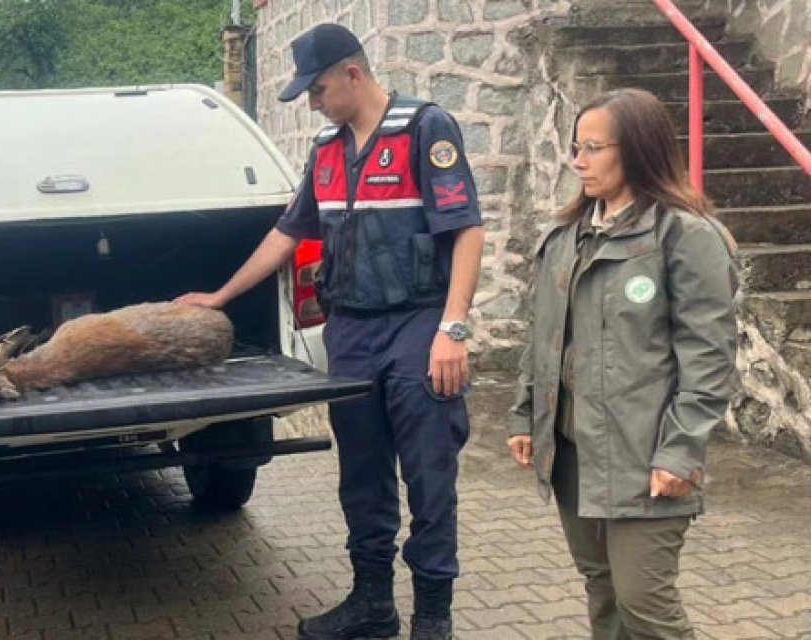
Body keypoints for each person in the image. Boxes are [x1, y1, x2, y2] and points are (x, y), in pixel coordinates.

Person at [178, 23, 484, 640]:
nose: (312, 103)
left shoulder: (425, 130)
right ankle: (373, 605)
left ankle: (433, 618)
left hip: (417, 325)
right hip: (351, 333)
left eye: (317, 90)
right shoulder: (326, 150)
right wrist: (221, 296)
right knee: (362, 476)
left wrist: (452, 328)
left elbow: (467, 230)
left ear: (353, 73)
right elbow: (286, 234)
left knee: (429, 476)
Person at [507, 88, 739, 639]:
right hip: (573, 451)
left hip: (644, 454)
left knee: (645, 605)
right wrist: (525, 414)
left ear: (636, 148)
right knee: (604, 591)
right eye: (575, 147)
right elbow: (543, 336)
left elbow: (708, 358)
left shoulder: (685, 235)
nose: (578, 161)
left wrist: (681, 451)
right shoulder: (566, 236)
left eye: (593, 147)